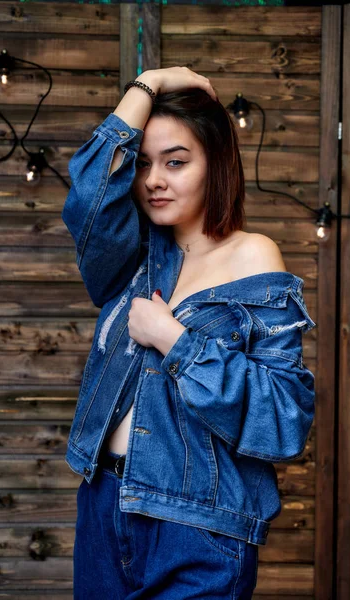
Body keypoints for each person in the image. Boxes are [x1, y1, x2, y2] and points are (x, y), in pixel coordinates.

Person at [61, 66, 316, 599]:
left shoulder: (253, 256)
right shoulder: (128, 255)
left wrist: (175, 340)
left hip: (199, 524)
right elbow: (89, 192)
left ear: (215, 163)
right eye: (144, 164)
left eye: (176, 162)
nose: (154, 179)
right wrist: (151, 79)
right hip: (105, 503)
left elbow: (285, 419)